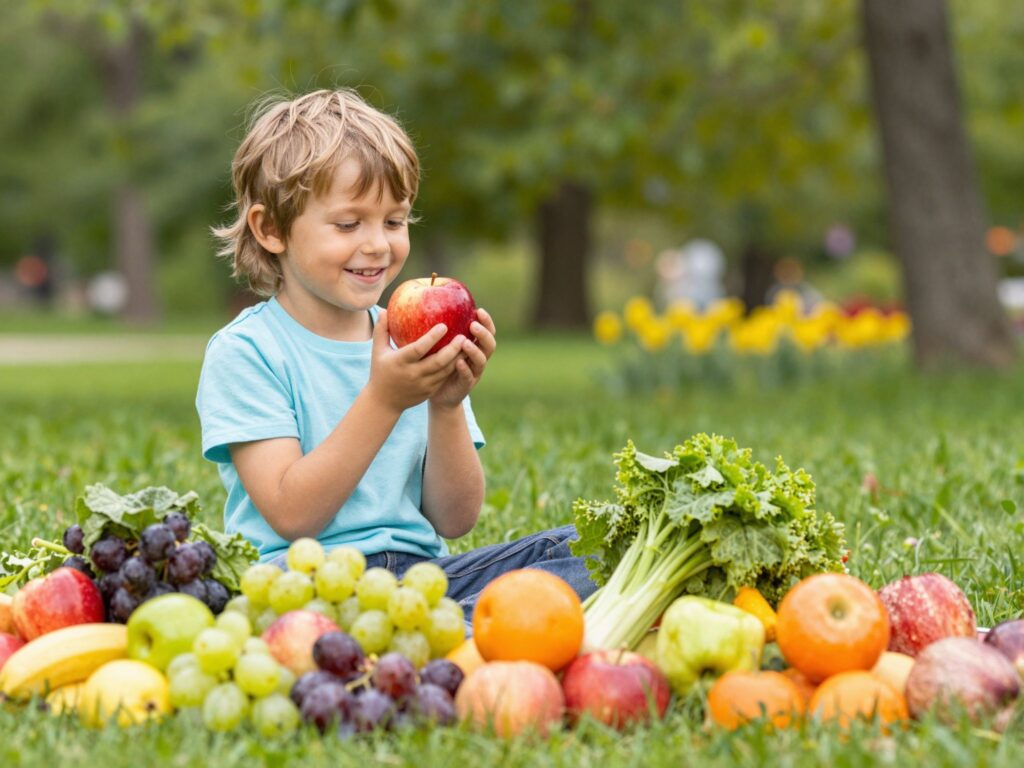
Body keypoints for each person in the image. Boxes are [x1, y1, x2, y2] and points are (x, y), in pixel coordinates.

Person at [196, 89, 596, 621]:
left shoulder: (409, 341)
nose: (379, 244)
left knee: (587, 553)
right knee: (507, 615)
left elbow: (455, 519)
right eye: (348, 224)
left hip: (425, 585)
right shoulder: (246, 353)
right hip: (309, 594)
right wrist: (384, 400)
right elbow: (293, 514)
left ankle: (472, 634)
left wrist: (447, 406)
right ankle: (483, 640)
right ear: (271, 230)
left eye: (394, 220)